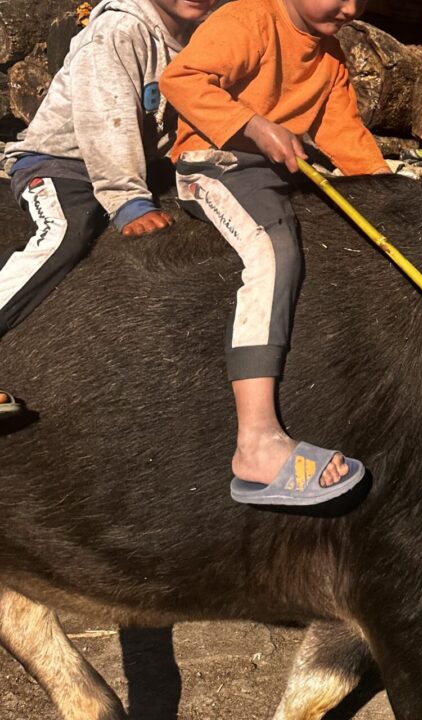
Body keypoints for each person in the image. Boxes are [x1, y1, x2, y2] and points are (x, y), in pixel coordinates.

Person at [159, 0, 391, 506]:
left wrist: (392, 196)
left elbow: (347, 138)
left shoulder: (330, 59)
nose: (352, 9)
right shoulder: (248, 18)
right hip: (214, 163)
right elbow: (182, 79)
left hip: (275, 172)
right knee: (273, 251)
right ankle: (256, 442)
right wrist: (257, 126)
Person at [0, 0, 217, 416]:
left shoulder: (204, 35)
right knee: (66, 233)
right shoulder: (118, 31)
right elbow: (106, 115)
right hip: (63, 161)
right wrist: (127, 199)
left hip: (142, 161)